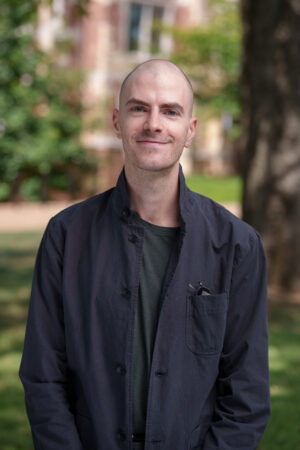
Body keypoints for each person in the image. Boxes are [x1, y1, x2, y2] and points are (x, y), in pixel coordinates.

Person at [19, 59, 270, 450]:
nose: (154, 123)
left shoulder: (238, 245)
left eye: (170, 111)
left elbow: (247, 396)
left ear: (190, 130)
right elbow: (43, 377)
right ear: (117, 122)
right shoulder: (65, 236)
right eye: (139, 108)